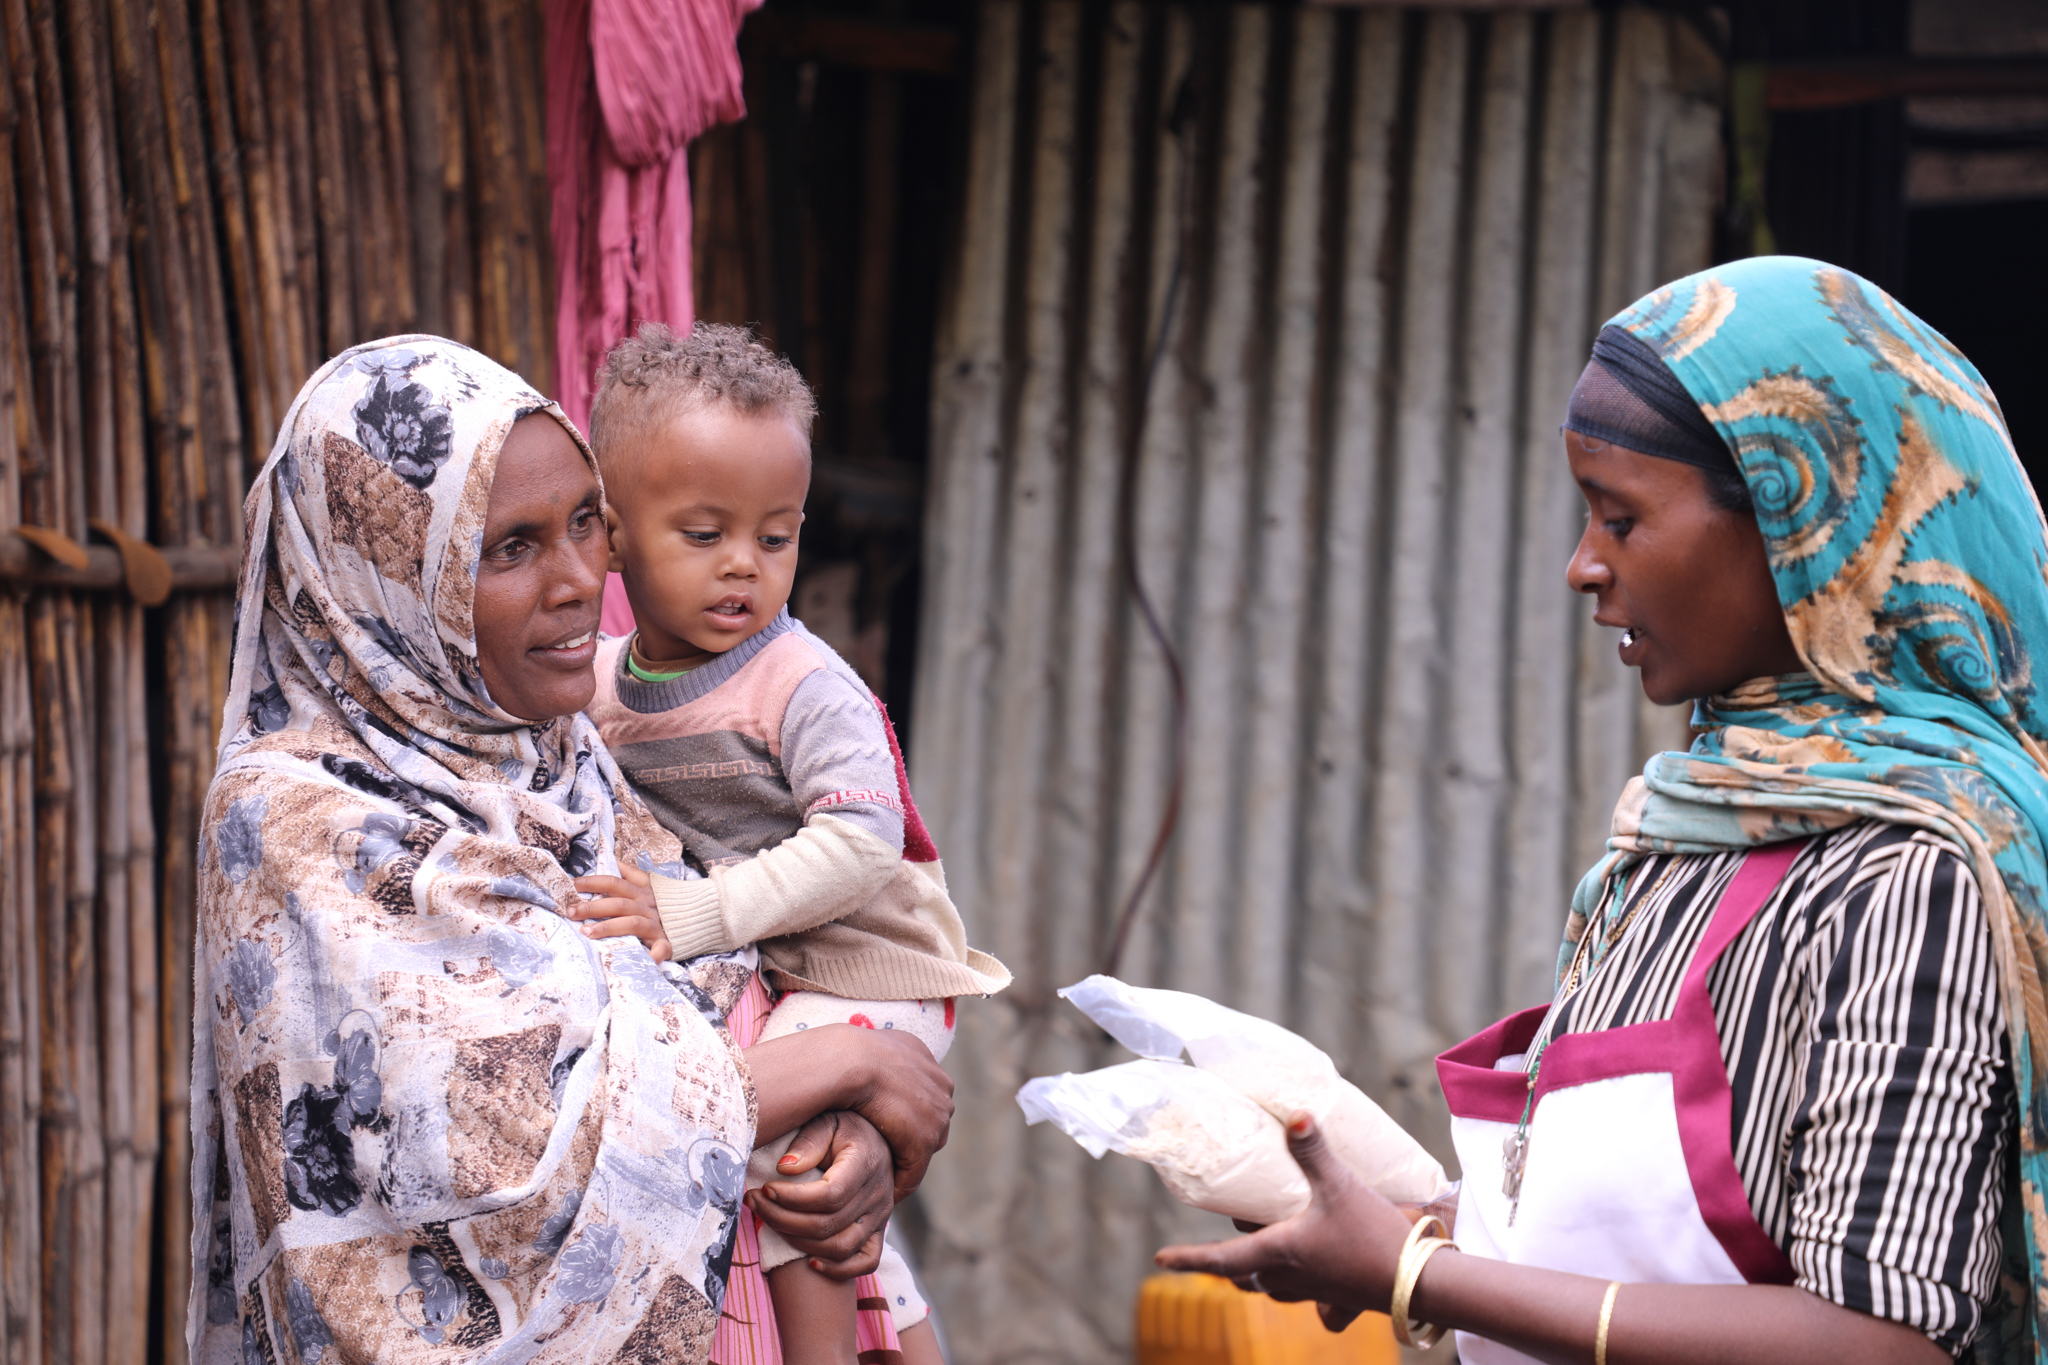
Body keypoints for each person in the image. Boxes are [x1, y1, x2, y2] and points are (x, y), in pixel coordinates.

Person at [1158, 255, 2048, 1365]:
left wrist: (1416, 1275)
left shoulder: (1908, 870)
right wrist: (1410, 1230)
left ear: (1792, 527)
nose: (1582, 568)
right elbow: (1655, 1250)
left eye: (1618, 519)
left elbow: (1874, 1340)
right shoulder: (1687, 835)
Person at [189, 336, 951, 1365]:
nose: (581, 579)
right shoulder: (300, 817)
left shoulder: (562, 747)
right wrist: (852, 1062)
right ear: (388, 570)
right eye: (508, 547)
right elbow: (509, 1146)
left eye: (585, 524)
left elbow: (739, 979)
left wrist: (842, 1144)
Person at [568, 321, 1008, 1365]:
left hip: (874, 957)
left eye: (774, 537)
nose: (743, 569)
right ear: (615, 535)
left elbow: (860, 845)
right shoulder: (597, 682)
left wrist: (695, 917)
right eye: (703, 534)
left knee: (784, 1143)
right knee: (835, 1196)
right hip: (786, 963)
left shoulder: (802, 686)